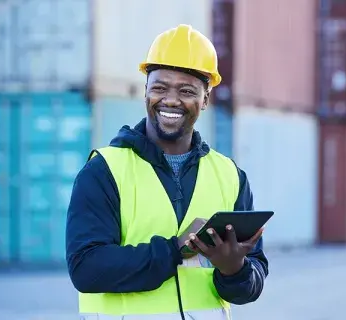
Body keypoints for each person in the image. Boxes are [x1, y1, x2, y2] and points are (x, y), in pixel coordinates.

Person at [66, 24, 269, 320]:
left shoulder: (230, 176)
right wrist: (174, 250)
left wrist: (234, 270)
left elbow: (252, 282)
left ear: (205, 99)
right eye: (160, 87)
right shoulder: (104, 171)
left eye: (186, 90)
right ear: (146, 91)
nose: (171, 100)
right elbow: (86, 269)